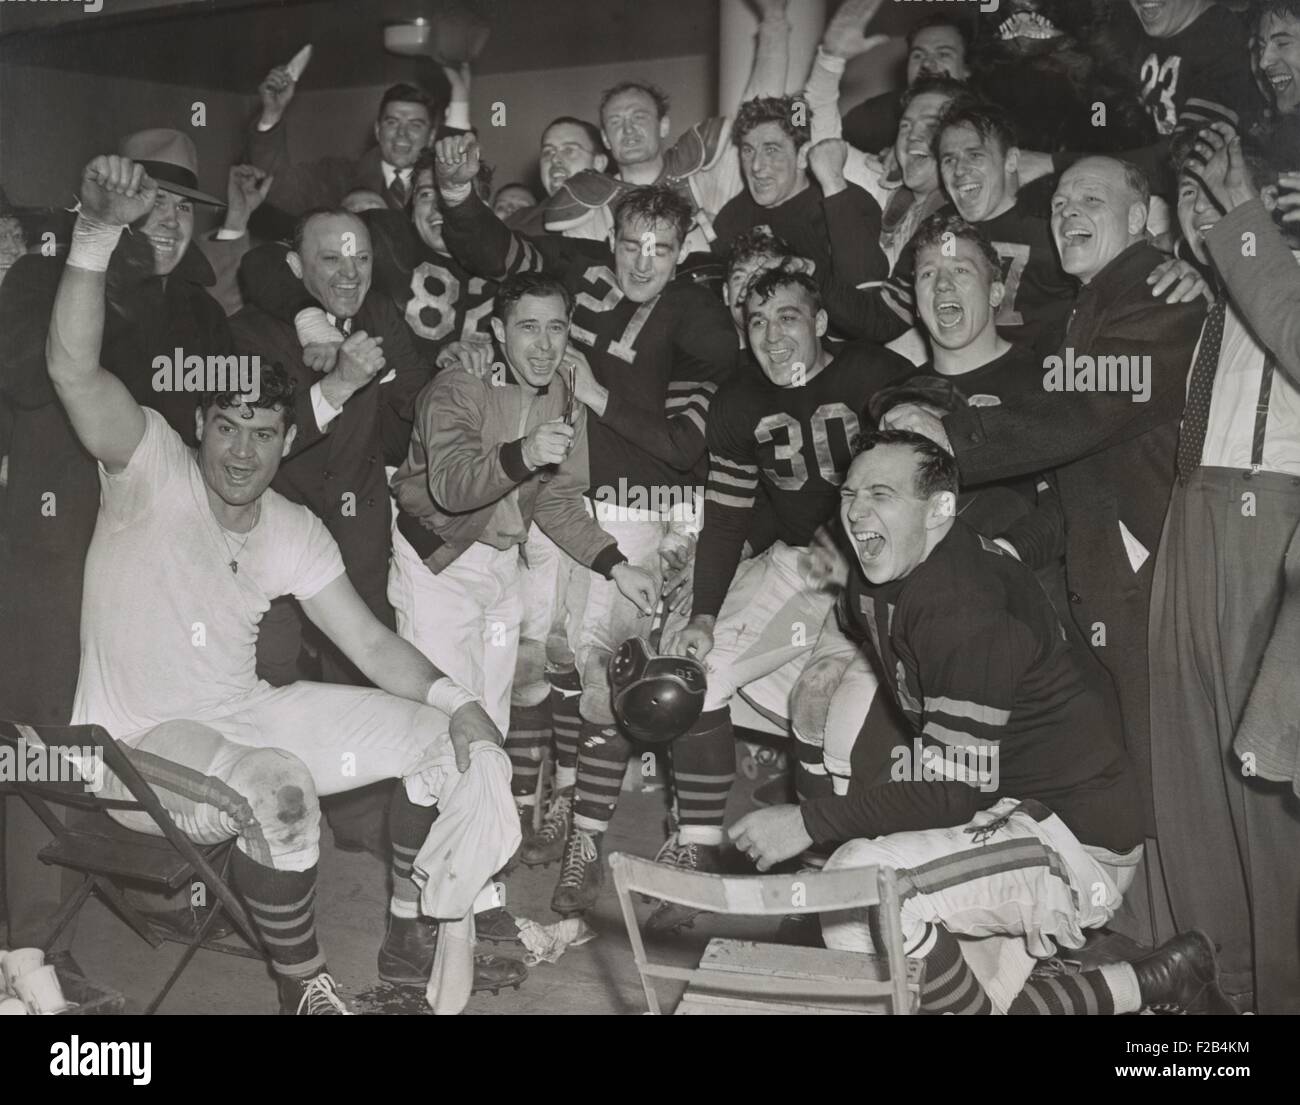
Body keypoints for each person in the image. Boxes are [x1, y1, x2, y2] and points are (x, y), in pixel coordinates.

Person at [47, 152, 524, 1013]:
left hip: (239, 714)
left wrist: (461, 704)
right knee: (277, 786)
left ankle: (421, 923)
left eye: (264, 434)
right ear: (201, 424)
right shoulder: (150, 464)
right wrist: (93, 232)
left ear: (283, 438)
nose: (241, 452)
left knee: (439, 739)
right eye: (227, 428)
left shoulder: (290, 527)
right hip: (133, 748)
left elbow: (372, 643)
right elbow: (75, 372)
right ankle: (305, 986)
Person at [729, 430, 1234, 1016]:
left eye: (882, 494)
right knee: (902, 974)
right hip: (1003, 811)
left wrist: (808, 822)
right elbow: (854, 632)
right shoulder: (882, 570)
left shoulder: (963, 603)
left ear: (940, 509)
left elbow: (952, 792)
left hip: (1071, 833)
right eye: (850, 492)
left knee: (861, 881)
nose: (857, 510)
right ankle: (1158, 982)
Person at [889, 155, 1207, 947]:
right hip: (1103, 581)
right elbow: (1070, 473)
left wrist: (950, 438)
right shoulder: (1087, 306)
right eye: (1060, 200)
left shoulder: (1156, 299)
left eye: (1092, 199)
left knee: (1168, 763)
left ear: (1144, 218)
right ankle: (1146, 937)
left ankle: (1197, 956)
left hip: (1153, 576)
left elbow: (1083, 411)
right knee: (1130, 763)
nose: (1068, 210)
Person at [433, 134, 738, 913]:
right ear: (609, 240)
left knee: (607, 674)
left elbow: (682, 445)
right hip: (559, 495)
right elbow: (495, 252)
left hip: (644, 507)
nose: (643, 262)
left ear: (682, 250)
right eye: (632, 243)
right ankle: (557, 795)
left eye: (661, 249)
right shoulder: (580, 272)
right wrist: (460, 192)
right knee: (537, 659)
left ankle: (586, 837)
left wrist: (598, 393)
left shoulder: (700, 319)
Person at [0, 129, 233, 945]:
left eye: (184, 207)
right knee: (42, 741)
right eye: (151, 201)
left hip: (157, 566)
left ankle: (154, 891)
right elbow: (35, 377)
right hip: (55, 558)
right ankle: (34, 948)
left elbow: (226, 432)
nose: (169, 221)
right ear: (112, 206)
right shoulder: (42, 275)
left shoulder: (203, 313)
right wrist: (109, 270)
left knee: (148, 721)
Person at [643, 269, 909, 931]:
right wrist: (704, 609)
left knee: (831, 716)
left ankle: (819, 876)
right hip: (801, 572)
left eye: (787, 316)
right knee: (694, 675)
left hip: (882, 577)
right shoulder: (738, 399)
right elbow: (728, 514)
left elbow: (924, 474)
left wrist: (850, 544)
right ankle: (697, 851)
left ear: (821, 322)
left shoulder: (872, 372)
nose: (771, 335)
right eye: (756, 322)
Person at [389, 270, 656, 829]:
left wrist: (616, 564)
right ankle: (416, 906)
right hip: (438, 565)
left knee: (493, 730)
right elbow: (452, 488)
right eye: (528, 327)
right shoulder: (458, 385)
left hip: (500, 566)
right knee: (443, 734)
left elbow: (558, 502)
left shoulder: (564, 391)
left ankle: (477, 886)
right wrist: (524, 453)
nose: (544, 344)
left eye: (556, 328)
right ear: (497, 330)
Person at [1149, 121, 1300, 1012]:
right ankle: (1215, 997)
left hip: (1270, 519)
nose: (1204, 216)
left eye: (1227, 195)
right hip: (1191, 517)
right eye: (1190, 199)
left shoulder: (1277, 281)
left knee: (1264, 782)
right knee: (1193, 768)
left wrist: (1243, 225)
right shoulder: (1193, 296)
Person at [711, 97, 889, 339]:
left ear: (803, 155)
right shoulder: (732, 216)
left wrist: (834, 187)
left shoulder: (844, 199)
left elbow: (866, 296)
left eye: (771, 150)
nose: (755, 166)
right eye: (748, 150)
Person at [935, 100, 1077, 354]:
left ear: (1010, 161)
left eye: (975, 155)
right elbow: (886, 319)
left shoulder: (1053, 222)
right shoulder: (940, 229)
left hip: (1045, 374)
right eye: (949, 160)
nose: (959, 170)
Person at [245, 63, 469, 215]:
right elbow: (277, 188)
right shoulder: (337, 178)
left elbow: (459, 168)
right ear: (377, 130)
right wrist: (271, 114)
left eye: (415, 125)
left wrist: (460, 96)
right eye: (392, 122)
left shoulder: (442, 185)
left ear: (431, 137)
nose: (402, 134)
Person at [840, 7, 972, 155]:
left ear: (967, 68)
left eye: (943, 54)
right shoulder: (873, 116)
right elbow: (828, 147)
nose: (927, 64)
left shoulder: (987, 120)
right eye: (918, 55)